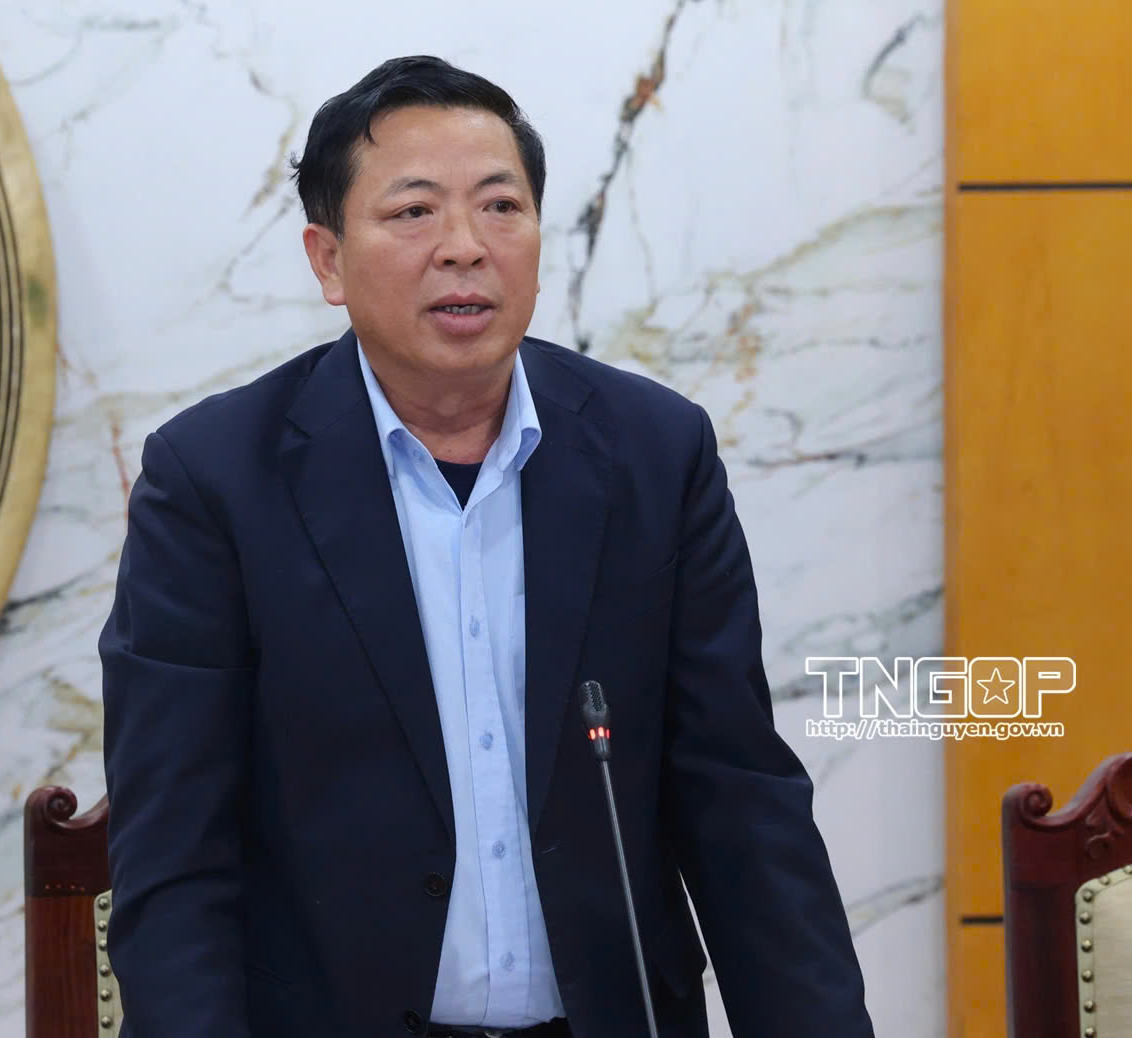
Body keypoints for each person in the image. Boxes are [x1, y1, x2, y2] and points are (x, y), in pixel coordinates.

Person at [98, 54, 874, 1038]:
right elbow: (174, 851)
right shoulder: (215, 480)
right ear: (327, 260)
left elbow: (740, 802)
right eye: (413, 211)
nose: (464, 248)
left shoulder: (652, 454)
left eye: (501, 207)